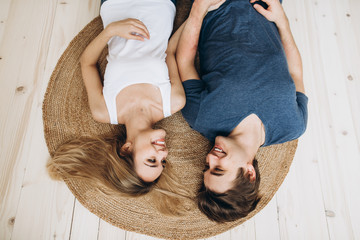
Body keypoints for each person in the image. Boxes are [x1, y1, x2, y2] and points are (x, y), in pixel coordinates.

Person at [47, 0, 189, 214]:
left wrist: (111, 30)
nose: (163, 153)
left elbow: (87, 62)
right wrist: (198, 12)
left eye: (152, 160)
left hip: (115, 5)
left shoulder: (104, 110)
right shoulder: (174, 101)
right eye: (163, 162)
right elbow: (169, 52)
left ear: (126, 148)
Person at [176, 0, 308, 222]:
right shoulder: (293, 125)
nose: (210, 158)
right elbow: (295, 74)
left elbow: (185, 61)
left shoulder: (201, 117)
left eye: (207, 167)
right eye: (218, 169)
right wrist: (282, 20)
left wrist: (199, 8)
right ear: (249, 173)